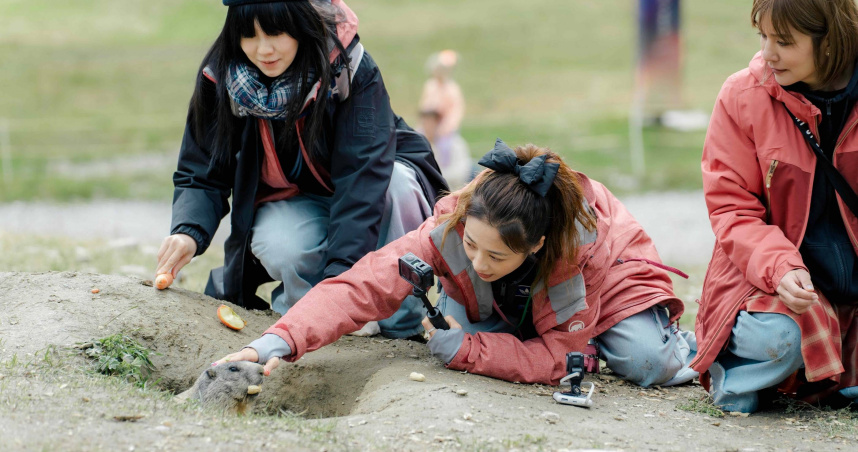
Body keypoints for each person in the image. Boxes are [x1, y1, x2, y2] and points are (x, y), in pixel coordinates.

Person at [215, 140, 698, 388]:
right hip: (522, 293)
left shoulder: (573, 254)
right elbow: (362, 286)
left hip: (608, 279)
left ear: (535, 246)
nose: (477, 262)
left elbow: (556, 358)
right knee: (471, 324)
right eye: (471, 245)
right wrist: (276, 342)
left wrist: (471, 351)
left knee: (644, 361)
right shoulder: (448, 229)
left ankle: (686, 348)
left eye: (495, 255)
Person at [154, 0, 447, 340]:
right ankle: (307, 318)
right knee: (280, 242)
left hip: (375, 189)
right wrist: (189, 230)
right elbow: (202, 167)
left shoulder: (349, 68)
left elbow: (363, 180)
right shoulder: (220, 77)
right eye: (249, 35)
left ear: (301, 23)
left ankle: (401, 327)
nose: (263, 49)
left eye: (276, 32)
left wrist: (341, 277)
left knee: (398, 185)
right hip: (297, 198)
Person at [692, 0, 858, 413]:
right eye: (763, 36)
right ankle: (734, 372)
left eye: (784, 41)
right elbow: (732, 209)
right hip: (773, 278)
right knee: (778, 340)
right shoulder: (742, 95)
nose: (767, 53)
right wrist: (780, 266)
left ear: (831, 41)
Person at [418, 50, 473, 190]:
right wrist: (426, 121)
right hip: (430, 121)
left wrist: (444, 128)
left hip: (445, 127)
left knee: (445, 147)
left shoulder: (452, 89)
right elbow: (426, 104)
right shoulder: (430, 86)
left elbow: (455, 111)